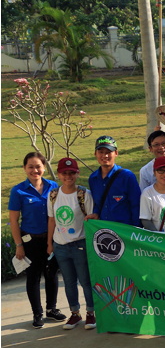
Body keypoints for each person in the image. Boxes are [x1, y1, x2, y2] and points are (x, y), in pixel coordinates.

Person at [9, 152, 67, 328]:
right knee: (33, 277)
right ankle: (37, 313)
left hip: (51, 239)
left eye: (38, 166)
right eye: (31, 166)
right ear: (25, 168)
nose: (35, 170)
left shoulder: (53, 186)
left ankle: (51, 309)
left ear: (43, 167)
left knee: (51, 274)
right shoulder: (18, 191)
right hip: (30, 241)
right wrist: (19, 245)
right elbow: (13, 220)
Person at [46, 158, 96, 330]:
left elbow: (90, 220)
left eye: (71, 173)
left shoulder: (83, 194)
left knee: (85, 280)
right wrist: (50, 243)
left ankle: (91, 312)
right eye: (64, 173)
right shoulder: (53, 195)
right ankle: (75, 313)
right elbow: (52, 220)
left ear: (77, 173)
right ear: (59, 175)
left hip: (79, 244)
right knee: (68, 282)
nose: (68, 176)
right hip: (60, 246)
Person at [88, 135, 141, 226]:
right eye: (101, 152)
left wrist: (135, 231)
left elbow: (137, 205)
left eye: (109, 152)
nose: (105, 155)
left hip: (125, 231)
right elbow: (97, 204)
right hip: (105, 231)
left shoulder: (127, 176)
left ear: (116, 153)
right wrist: (96, 213)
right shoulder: (93, 179)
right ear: (95, 154)